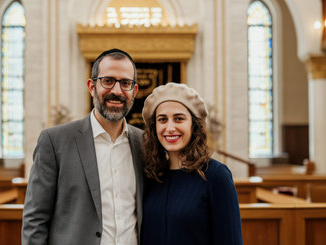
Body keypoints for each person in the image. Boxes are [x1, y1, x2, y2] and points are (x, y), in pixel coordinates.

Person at [22, 48, 144, 245]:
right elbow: (35, 220)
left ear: (134, 91)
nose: (116, 91)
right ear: (91, 86)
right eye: (108, 81)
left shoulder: (144, 144)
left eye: (125, 83)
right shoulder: (55, 142)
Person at [140, 83, 243, 245]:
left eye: (179, 119)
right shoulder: (151, 176)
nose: (170, 127)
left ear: (193, 125)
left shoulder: (216, 175)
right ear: (155, 127)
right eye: (162, 120)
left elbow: (230, 240)